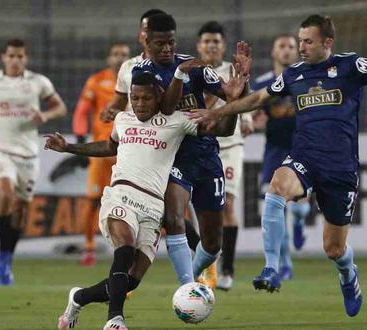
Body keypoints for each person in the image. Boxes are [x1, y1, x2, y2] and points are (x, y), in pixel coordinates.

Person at [190, 15, 367, 317]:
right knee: (276, 187)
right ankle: (272, 267)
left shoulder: (350, 66)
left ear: (327, 42)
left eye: (308, 41)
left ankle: (348, 274)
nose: (301, 47)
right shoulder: (294, 74)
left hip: (340, 168)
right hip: (304, 157)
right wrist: (216, 114)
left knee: (334, 250)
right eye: (300, 40)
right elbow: (258, 99)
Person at [49, 72, 235, 330]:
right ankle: (115, 319)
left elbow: (225, 129)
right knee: (124, 248)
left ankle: (78, 297)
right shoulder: (123, 119)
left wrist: (233, 103)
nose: (139, 103)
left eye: (146, 98)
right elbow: (108, 147)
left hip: (153, 206)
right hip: (121, 194)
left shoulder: (178, 121)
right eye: (134, 98)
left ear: (160, 96)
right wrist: (69, 147)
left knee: (131, 280)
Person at [132, 13, 250, 287]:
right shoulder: (142, 74)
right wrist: (178, 74)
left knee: (212, 244)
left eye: (171, 43)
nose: (167, 49)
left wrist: (239, 89)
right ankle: (186, 285)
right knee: (173, 217)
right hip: (170, 156)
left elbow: (235, 103)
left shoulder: (194, 68)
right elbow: (166, 108)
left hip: (206, 154)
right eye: (160, 44)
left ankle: (195, 277)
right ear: (146, 42)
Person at [0, 39, 67, 285]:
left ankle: (7, 257)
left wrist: (45, 114)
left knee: (20, 210)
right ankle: (1, 256)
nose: (15, 60)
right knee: (5, 193)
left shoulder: (38, 82)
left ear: (26, 59)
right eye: (11, 55)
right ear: (3, 57)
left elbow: (60, 107)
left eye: (20, 56)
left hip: (28, 153)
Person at [196, 21, 254, 290]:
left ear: (223, 46)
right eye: (206, 41)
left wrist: (248, 117)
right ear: (199, 45)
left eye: (216, 41)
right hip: (200, 146)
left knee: (227, 205)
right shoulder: (192, 72)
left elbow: (245, 97)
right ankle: (206, 264)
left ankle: (227, 268)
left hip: (230, 145)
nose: (211, 45)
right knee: (199, 209)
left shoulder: (231, 71)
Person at [250, 34, 310, 281]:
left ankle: (299, 222)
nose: (286, 51)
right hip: (274, 151)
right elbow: (251, 113)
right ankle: (284, 264)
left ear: (297, 53)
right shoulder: (262, 83)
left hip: (302, 150)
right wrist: (254, 122)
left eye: (291, 47)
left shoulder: (307, 79)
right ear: (274, 53)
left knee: (299, 211)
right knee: (274, 208)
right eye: (281, 47)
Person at [72, 42, 130, 266]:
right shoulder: (96, 81)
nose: (119, 58)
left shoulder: (136, 80)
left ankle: (127, 249)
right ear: (109, 59)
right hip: (101, 150)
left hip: (127, 150)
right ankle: (88, 248)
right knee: (93, 200)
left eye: (123, 54)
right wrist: (79, 138)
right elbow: (81, 111)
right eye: (115, 54)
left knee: (128, 201)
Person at [103, 9, 167, 118]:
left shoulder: (180, 67)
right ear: (140, 35)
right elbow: (120, 102)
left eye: (156, 29)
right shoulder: (128, 66)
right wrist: (109, 111)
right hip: (137, 133)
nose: (150, 35)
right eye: (146, 30)